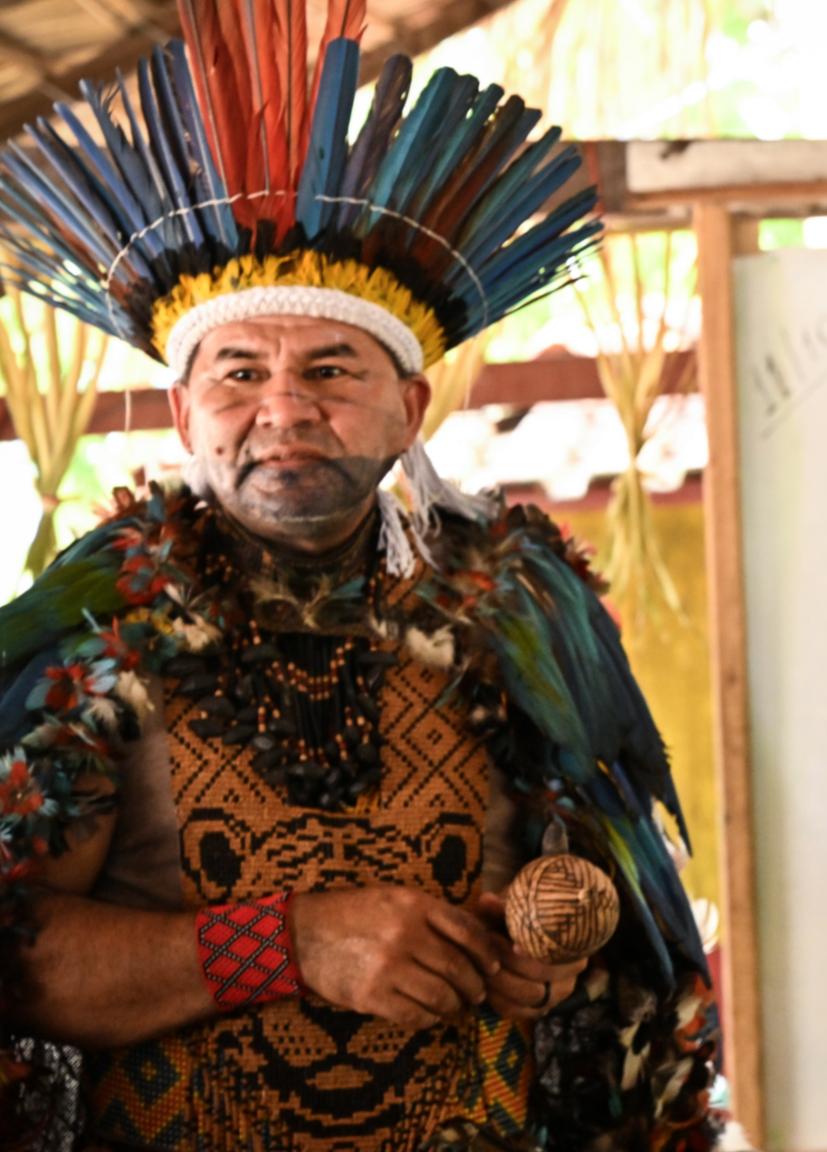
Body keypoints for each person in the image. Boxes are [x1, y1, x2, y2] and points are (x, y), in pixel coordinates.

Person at [0, 5, 716, 1149]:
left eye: (332, 369)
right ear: (185, 413)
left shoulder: (518, 617)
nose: (284, 408)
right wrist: (286, 944)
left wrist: (550, 954)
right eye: (239, 373)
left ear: (409, 406)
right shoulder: (105, 633)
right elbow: (12, 957)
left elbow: (628, 935)